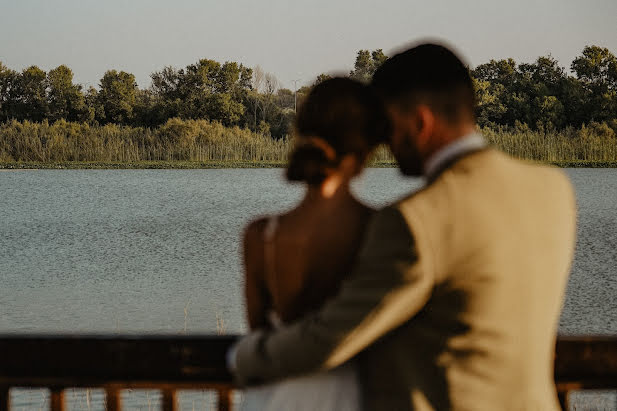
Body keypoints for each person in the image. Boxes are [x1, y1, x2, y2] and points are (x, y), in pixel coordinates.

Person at [230, 43, 577, 411]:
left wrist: (241, 357)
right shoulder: (553, 190)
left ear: (420, 123)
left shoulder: (417, 218)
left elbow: (332, 337)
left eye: (387, 126)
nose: (385, 143)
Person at [239, 77, 391, 410]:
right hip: (357, 398)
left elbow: (258, 334)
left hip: (275, 399)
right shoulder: (383, 231)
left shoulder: (262, 236)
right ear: (367, 148)